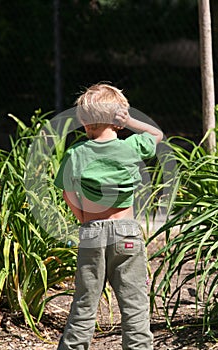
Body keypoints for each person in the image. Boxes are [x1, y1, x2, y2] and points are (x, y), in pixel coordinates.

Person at [54, 83, 163, 350]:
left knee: (84, 303)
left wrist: (85, 221)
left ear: (83, 121)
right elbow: (157, 134)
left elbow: (68, 193)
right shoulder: (132, 146)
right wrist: (131, 121)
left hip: (92, 232)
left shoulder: (76, 153)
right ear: (118, 120)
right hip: (127, 232)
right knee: (135, 305)